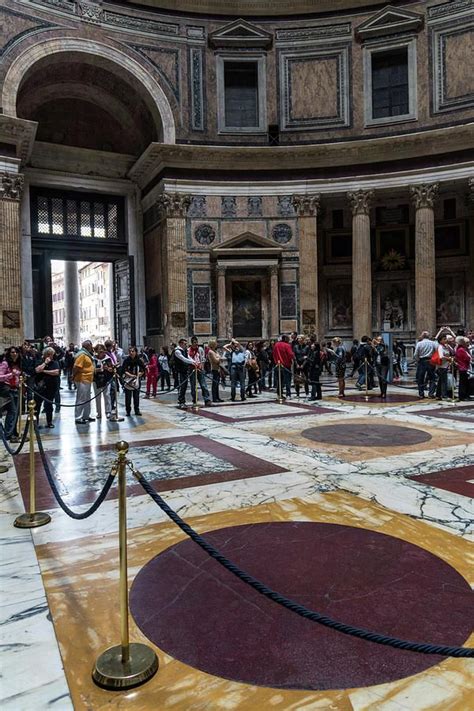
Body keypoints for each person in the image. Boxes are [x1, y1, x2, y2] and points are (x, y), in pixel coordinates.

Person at [34, 346, 60, 428]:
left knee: (49, 405)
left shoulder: (55, 363)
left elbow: (56, 372)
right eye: (49, 354)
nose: (50, 356)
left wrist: (44, 371)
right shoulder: (39, 361)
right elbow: (37, 370)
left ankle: (49, 422)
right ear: (45, 355)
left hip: (51, 387)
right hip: (40, 387)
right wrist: (45, 363)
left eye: (52, 354)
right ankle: (36, 423)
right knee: (37, 406)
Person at [0, 346, 22, 441]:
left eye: (16, 352)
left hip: (16, 389)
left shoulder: (17, 364)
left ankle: (13, 432)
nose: (14, 354)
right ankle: (9, 434)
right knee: (12, 411)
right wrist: (11, 375)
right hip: (7, 389)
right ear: (9, 353)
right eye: (12, 352)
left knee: (16, 412)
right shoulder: (5, 363)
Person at [73, 340, 95, 424]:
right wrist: (73, 375)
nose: (92, 347)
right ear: (87, 346)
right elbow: (76, 367)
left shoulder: (87, 354)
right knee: (81, 398)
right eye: (91, 345)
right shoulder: (82, 355)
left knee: (87, 398)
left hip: (88, 379)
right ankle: (78, 417)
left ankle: (86, 415)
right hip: (82, 378)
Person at [121, 346, 145, 416]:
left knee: (136, 396)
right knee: (128, 397)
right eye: (130, 351)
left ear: (136, 352)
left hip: (136, 380)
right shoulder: (126, 360)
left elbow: (143, 370)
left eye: (133, 351)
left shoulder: (139, 360)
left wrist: (139, 374)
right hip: (128, 380)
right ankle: (128, 410)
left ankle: (137, 410)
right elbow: (124, 370)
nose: (131, 353)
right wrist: (131, 375)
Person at [188, 336, 212, 407]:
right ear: (192, 343)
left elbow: (203, 358)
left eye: (196, 342)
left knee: (203, 385)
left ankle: (207, 399)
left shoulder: (200, 349)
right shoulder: (188, 350)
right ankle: (194, 399)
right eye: (194, 343)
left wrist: (202, 366)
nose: (196, 344)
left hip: (200, 369)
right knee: (193, 386)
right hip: (192, 369)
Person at [414, 331, 437, 399]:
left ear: (422, 336)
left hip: (422, 361)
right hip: (431, 361)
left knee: (420, 378)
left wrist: (418, 360)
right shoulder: (433, 343)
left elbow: (416, 354)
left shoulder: (419, 343)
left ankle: (421, 394)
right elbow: (436, 351)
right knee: (432, 378)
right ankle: (431, 393)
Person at [93, 344, 113, 419]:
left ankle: (108, 411)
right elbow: (91, 369)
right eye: (99, 350)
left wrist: (108, 368)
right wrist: (97, 370)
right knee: (97, 397)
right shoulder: (93, 359)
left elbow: (112, 369)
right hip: (96, 380)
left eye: (102, 350)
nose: (101, 351)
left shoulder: (108, 359)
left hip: (106, 379)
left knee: (107, 396)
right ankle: (99, 412)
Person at [272, 334, 295, 399]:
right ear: (285, 339)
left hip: (277, 365)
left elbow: (273, 354)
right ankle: (288, 394)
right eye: (288, 338)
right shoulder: (287, 345)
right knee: (287, 380)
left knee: (279, 380)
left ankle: (279, 394)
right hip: (286, 365)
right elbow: (290, 354)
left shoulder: (276, 345)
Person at [174, 338, 194, 408]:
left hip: (184, 371)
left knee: (184, 386)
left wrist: (194, 362)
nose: (186, 345)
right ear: (181, 344)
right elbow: (183, 359)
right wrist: (192, 362)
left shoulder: (184, 350)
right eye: (185, 344)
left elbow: (188, 357)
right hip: (179, 371)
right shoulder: (177, 351)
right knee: (181, 386)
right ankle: (181, 402)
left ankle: (183, 401)